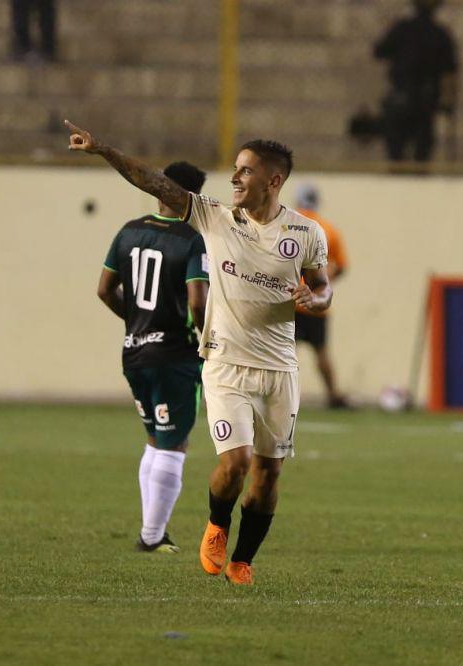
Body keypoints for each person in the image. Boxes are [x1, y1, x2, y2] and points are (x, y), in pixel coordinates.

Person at [65, 119, 332, 586]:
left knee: (268, 476)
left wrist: (316, 300)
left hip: (279, 369)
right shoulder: (214, 218)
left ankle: (242, 561)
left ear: (273, 181)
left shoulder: (306, 234)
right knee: (236, 463)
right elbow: (155, 181)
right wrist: (104, 150)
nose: (234, 178)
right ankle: (216, 525)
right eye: (234, 169)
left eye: (245, 171)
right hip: (225, 362)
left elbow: (324, 288)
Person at [97, 161, 210, 554]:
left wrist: (137, 324)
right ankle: (152, 536)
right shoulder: (193, 240)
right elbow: (198, 301)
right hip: (175, 355)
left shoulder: (129, 231)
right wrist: (206, 340)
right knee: (173, 443)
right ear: (191, 197)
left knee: (154, 439)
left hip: (134, 351)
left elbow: (104, 290)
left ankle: (151, 532)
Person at [373, 0, 460, 162]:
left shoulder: (402, 28)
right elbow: (450, 71)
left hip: (402, 96)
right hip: (425, 99)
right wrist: (448, 102)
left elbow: (379, 51)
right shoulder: (440, 34)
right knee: (421, 154)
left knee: (396, 152)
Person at [293, 183, 350, 409]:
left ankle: (282, 396)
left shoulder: (287, 225)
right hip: (317, 302)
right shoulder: (329, 229)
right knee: (322, 351)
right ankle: (334, 395)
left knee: (287, 353)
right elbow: (342, 265)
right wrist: (321, 283)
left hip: (292, 301)